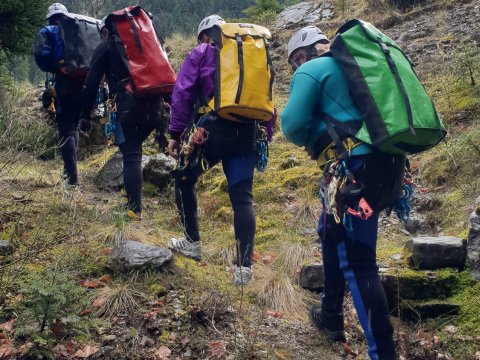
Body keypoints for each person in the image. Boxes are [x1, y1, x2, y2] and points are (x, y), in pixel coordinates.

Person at [281, 26, 405, 360]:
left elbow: (291, 124)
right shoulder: (359, 67)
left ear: (303, 53)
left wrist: (308, 136)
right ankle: (331, 316)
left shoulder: (313, 68)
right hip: (386, 165)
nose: (296, 66)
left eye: (295, 60)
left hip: (354, 171)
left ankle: (383, 354)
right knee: (329, 231)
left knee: (359, 262)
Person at [167, 15, 275, 285]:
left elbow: (183, 92)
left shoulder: (202, 51)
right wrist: (267, 133)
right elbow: (267, 96)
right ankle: (244, 269)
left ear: (206, 35)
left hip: (211, 132)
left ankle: (192, 242)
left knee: (184, 178)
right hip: (248, 131)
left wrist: (175, 134)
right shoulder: (252, 54)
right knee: (242, 198)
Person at [80, 14, 169, 220]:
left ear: (108, 29)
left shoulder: (107, 46)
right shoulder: (149, 43)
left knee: (132, 155)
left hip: (128, 107)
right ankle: (132, 199)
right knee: (134, 152)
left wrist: (85, 114)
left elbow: (91, 83)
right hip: (155, 107)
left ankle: (134, 209)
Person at [33, 3, 83, 187]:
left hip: (64, 83)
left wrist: (56, 67)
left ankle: (71, 178)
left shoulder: (49, 31)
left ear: (51, 18)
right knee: (75, 126)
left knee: (66, 129)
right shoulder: (78, 29)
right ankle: (68, 172)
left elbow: (41, 54)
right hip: (84, 84)